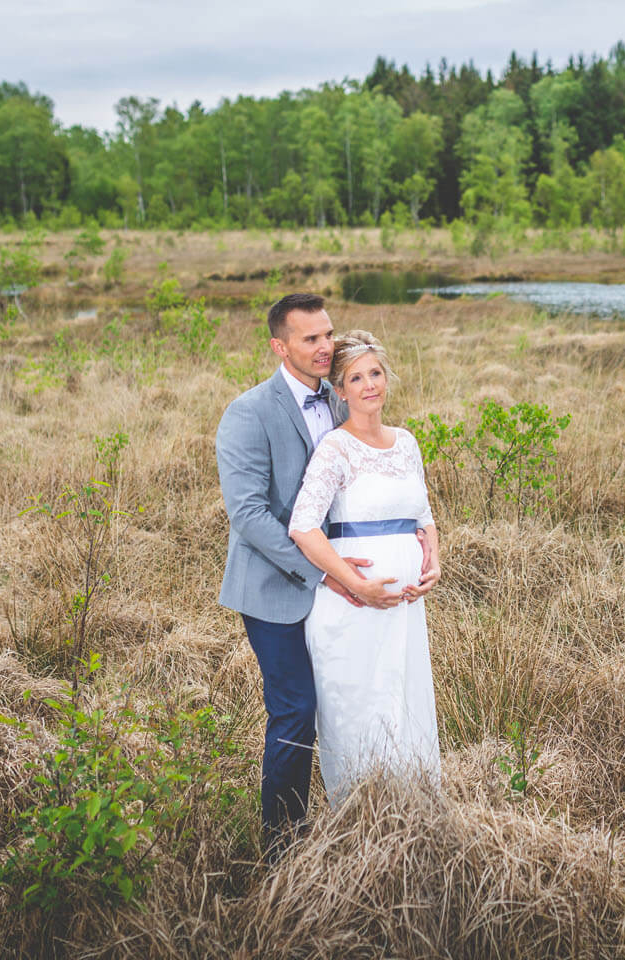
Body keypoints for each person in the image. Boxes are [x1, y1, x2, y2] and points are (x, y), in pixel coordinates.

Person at [215, 293, 408, 861]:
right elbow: (248, 514)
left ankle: (358, 828)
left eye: (329, 334)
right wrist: (326, 575)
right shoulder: (248, 412)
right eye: (310, 339)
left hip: (344, 585)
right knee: (296, 711)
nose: (326, 346)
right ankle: (282, 849)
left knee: (348, 703)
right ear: (280, 346)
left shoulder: (343, 394)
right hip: (278, 589)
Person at [287, 330, 443, 803]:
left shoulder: (407, 443)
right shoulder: (336, 448)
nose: (369, 384)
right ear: (340, 391)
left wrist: (432, 559)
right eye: (356, 377)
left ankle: (416, 820)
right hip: (354, 607)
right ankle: (359, 824)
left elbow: (423, 514)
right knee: (361, 711)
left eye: (375, 373)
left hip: (404, 609)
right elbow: (303, 526)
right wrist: (354, 582)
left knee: (406, 702)